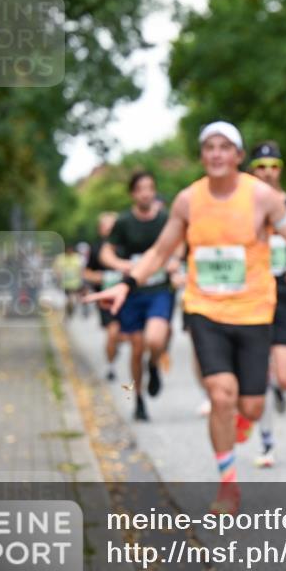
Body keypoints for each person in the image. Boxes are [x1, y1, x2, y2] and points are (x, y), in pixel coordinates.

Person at [87, 121, 286, 513]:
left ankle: (241, 420)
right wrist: (127, 283)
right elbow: (159, 250)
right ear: (203, 155)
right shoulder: (188, 200)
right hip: (205, 310)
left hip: (255, 311)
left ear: (238, 156)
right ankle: (227, 484)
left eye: (225, 147)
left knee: (251, 406)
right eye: (209, 147)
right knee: (222, 394)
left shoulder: (262, 199)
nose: (217, 153)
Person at [247, 140, 286, 467]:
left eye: (273, 167)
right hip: (251, 298)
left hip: (285, 296)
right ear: (251, 170)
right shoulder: (240, 206)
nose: (268, 173)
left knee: (285, 378)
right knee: (257, 376)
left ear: (280, 169)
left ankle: (278, 386)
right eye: (261, 167)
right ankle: (266, 444)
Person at [99, 172, 178, 422]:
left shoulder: (165, 219)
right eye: (141, 189)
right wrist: (121, 264)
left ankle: (154, 365)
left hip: (159, 290)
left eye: (150, 188)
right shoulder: (123, 222)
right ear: (133, 194)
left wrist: (175, 260)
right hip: (132, 292)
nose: (146, 193)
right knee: (135, 349)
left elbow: (180, 243)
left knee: (155, 340)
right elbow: (105, 253)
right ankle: (138, 399)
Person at [83, 212, 125, 381]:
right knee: (113, 332)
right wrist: (100, 277)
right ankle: (111, 366)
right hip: (106, 300)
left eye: (113, 226)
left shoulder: (126, 246)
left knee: (130, 336)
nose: (110, 229)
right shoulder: (95, 248)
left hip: (128, 298)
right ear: (100, 229)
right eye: (106, 226)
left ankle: (115, 347)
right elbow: (86, 273)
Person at [53, 245, 84, 318]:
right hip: (65, 283)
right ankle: (69, 309)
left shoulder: (77, 258)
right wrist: (58, 275)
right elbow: (56, 268)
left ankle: (71, 308)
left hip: (75, 283)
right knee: (68, 298)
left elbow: (81, 269)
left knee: (72, 297)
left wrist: (81, 277)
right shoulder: (61, 258)